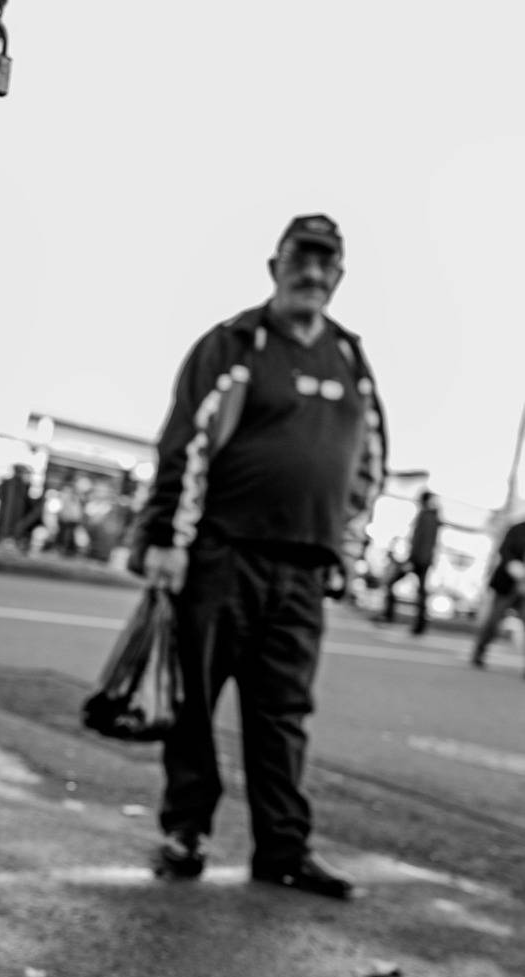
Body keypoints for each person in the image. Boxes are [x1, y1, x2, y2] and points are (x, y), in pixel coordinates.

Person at [129, 214, 387, 899]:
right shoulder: (235, 343)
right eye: (301, 259)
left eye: (325, 262)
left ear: (339, 274)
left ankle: (283, 848)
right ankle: (186, 831)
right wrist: (167, 539)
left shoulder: (350, 360)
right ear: (275, 266)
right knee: (194, 701)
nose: (312, 273)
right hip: (222, 554)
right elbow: (186, 443)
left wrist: (346, 547)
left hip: (303, 567)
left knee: (283, 715)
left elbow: (368, 463)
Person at [380, 489, 441, 634]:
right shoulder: (434, 517)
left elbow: (419, 541)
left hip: (417, 560)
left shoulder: (426, 516)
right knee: (421, 593)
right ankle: (420, 625)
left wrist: (412, 560)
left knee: (393, 584)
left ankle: (389, 616)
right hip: (423, 560)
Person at [471, 517, 525, 670]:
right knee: (494, 619)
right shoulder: (517, 528)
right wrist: (512, 564)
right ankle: (479, 652)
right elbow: (504, 549)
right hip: (508, 582)